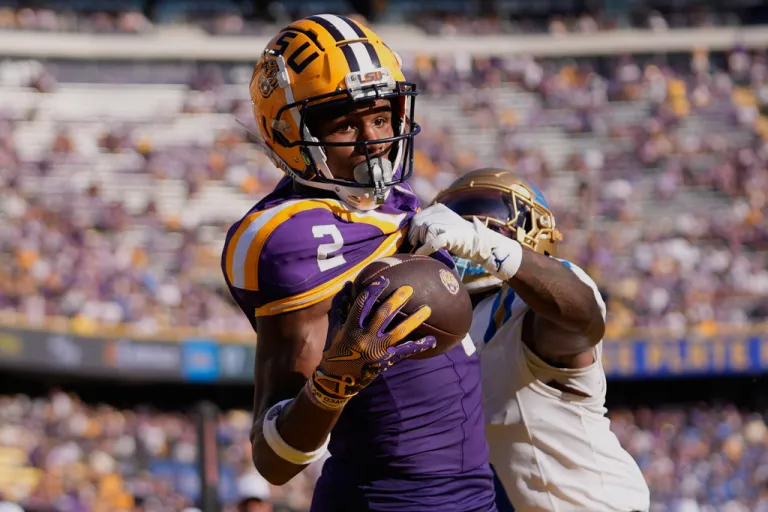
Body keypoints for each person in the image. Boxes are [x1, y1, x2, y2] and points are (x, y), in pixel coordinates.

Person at [222, 15, 497, 511]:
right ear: (289, 130)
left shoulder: (397, 199)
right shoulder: (292, 236)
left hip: (472, 493)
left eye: (381, 117)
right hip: (387, 501)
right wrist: (338, 376)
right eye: (347, 122)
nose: (373, 139)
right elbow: (273, 460)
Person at [409, 168, 650, 512]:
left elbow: (581, 319)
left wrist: (486, 245)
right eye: (459, 220)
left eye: (489, 221)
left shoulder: (525, 308)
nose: (465, 229)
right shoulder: (441, 324)